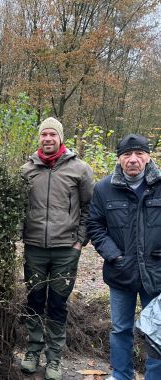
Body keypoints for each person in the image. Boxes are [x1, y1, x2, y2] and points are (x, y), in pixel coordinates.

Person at [20, 117, 94, 379]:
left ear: (61, 138)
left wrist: (78, 242)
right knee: (34, 300)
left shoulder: (80, 169)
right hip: (35, 248)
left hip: (65, 249)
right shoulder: (27, 170)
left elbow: (89, 209)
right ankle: (32, 351)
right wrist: (20, 235)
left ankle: (54, 358)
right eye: (44, 134)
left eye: (53, 134)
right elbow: (19, 207)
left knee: (58, 304)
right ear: (39, 138)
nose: (48, 138)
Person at [87, 134, 161, 380]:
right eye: (127, 155)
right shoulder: (104, 188)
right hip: (121, 271)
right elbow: (95, 226)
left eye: (139, 154)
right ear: (118, 159)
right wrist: (112, 254)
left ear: (148, 156)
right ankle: (121, 375)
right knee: (121, 328)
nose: (133, 160)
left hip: (157, 272)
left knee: (157, 330)